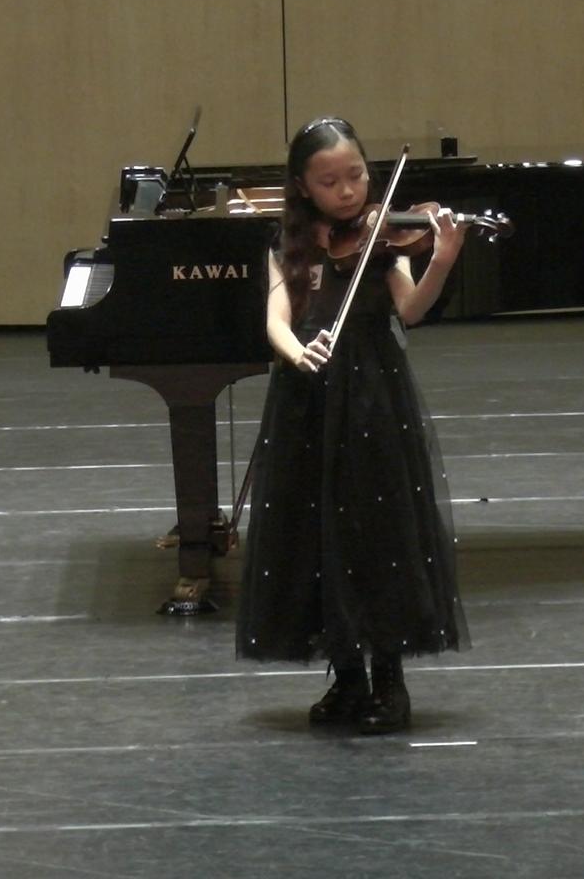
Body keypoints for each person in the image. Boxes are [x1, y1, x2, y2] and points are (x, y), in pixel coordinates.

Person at [235, 116, 470, 735]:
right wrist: (297, 352)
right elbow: (276, 317)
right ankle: (346, 676)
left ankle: (389, 679)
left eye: (357, 175)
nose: (347, 191)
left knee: (377, 533)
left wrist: (442, 259)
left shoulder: (382, 240)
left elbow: (411, 309)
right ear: (302, 187)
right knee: (314, 533)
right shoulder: (289, 244)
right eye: (329, 181)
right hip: (307, 402)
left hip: (372, 400)